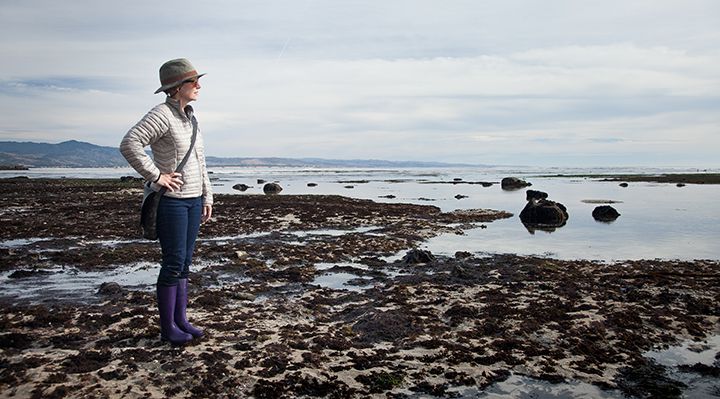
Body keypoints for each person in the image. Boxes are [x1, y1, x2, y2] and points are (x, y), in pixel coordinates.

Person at [120, 58, 213, 345]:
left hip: (194, 200)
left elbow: (200, 162)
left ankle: (181, 320)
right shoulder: (161, 114)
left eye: (198, 80)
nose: (198, 85)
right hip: (172, 202)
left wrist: (207, 195)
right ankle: (168, 328)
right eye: (192, 81)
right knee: (172, 263)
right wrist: (156, 175)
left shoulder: (191, 118)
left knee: (184, 263)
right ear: (175, 87)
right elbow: (129, 143)